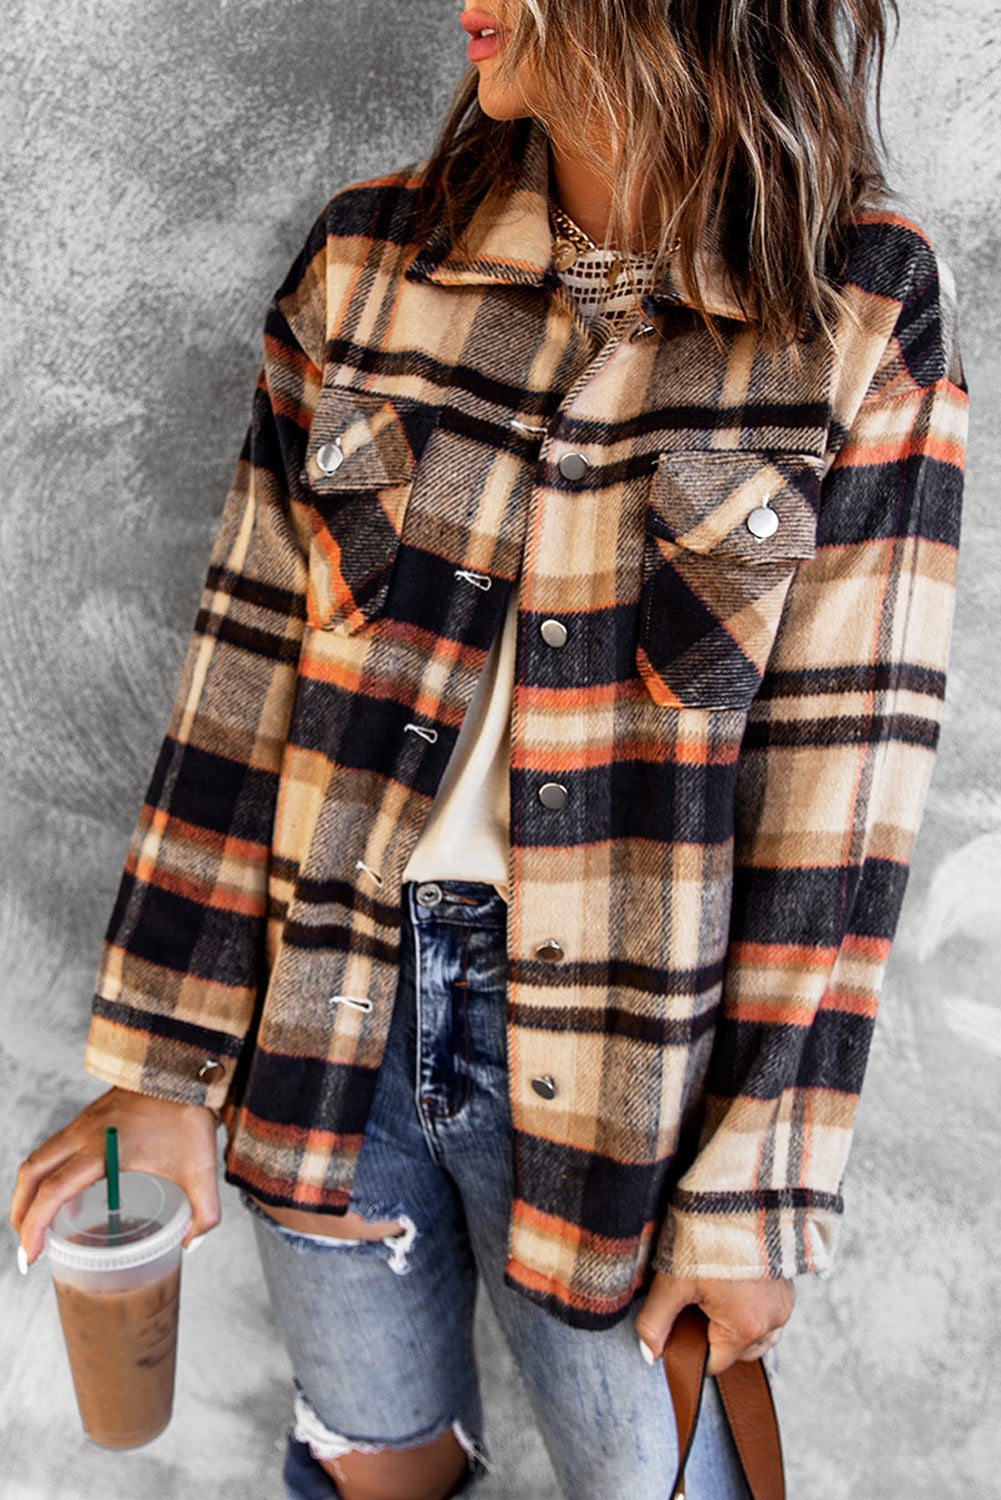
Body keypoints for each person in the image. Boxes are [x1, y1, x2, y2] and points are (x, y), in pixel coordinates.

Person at [11, 1, 967, 1496]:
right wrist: (164, 1065)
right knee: (376, 1461)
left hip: (625, 1084)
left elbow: (838, 807)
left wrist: (754, 1193)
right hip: (328, 1015)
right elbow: (242, 677)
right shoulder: (366, 261)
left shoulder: (857, 302)